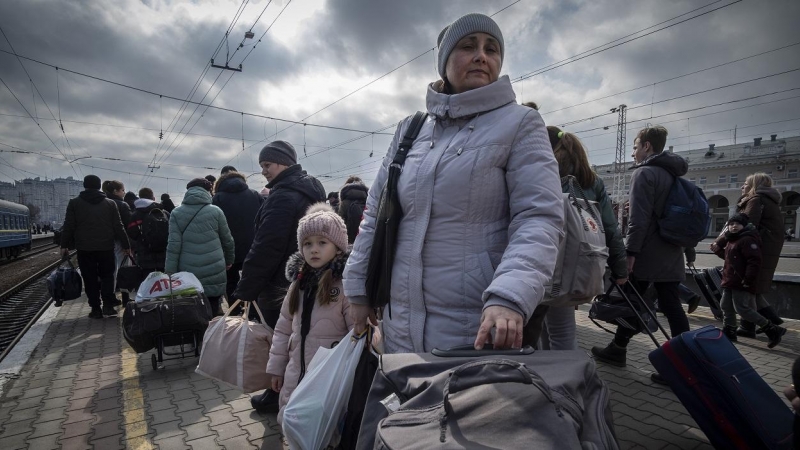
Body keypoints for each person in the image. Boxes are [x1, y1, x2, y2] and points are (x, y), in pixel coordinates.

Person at [343, 13, 564, 353]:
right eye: (467, 46)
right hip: (399, 320)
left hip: (478, 324)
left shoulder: (521, 124)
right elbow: (375, 215)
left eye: (491, 49)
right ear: (444, 63)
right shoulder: (410, 129)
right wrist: (358, 289)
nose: (481, 55)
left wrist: (509, 294)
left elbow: (539, 218)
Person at [230, 140, 326, 412]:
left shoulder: (283, 196)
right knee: (301, 338)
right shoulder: (309, 190)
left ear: (284, 162)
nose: (264, 171)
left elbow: (267, 245)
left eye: (267, 165)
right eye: (262, 166)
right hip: (305, 275)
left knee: (278, 340)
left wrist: (246, 287)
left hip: (278, 283)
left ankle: (276, 396)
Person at [591, 126, 691, 383]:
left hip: (648, 252)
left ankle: (678, 367)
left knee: (630, 301)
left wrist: (630, 252)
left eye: (635, 147)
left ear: (647, 146)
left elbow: (638, 220)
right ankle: (680, 363)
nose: (633, 153)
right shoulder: (675, 175)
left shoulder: (645, 173)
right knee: (668, 305)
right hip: (671, 250)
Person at [532, 126, 627, 351]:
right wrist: (620, 268)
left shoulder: (541, 172)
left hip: (539, 261)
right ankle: (564, 379)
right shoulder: (592, 181)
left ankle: (560, 379)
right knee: (561, 328)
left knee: (537, 328)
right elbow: (610, 228)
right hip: (573, 267)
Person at [265, 203, 352, 428]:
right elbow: (283, 329)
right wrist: (276, 367)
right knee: (296, 424)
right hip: (295, 372)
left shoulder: (346, 287)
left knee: (327, 429)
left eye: (322, 243)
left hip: (330, 377)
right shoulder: (298, 285)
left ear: (338, 247)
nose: (314, 249)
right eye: (307, 244)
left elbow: (358, 335)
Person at [711, 172, 785, 337]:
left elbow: (743, 224)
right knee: (752, 290)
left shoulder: (755, 200)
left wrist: (719, 243)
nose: (742, 186)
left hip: (754, 250)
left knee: (746, 292)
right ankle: (756, 325)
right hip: (764, 250)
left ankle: (769, 326)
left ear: (754, 185)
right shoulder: (768, 201)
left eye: (746, 183)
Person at [60, 175, 131, 318]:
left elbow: (69, 225)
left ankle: (95, 308)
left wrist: (64, 245)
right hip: (106, 247)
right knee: (108, 276)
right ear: (99, 186)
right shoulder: (110, 204)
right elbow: (119, 226)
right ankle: (108, 306)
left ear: (85, 185)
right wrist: (126, 244)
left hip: (84, 248)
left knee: (89, 278)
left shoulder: (74, 203)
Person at [165, 178, 234, 316]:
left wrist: (170, 273)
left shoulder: (176, 213)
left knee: (192, 310)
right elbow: (227, 240)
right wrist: (229, 260)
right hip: (214, 267)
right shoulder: (216, 211)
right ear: (207, 191)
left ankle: (198, 335)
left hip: (188, 271)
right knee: (214, 308)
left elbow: (173, 245)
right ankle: (214, 333)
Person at [212, 168, 263, 314]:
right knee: (253, 281)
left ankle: (234, 314)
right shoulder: (254, 195)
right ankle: (254, 314)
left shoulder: (217, 198)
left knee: (231, 282)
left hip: (229, 250)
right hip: (253, 247)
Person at [102, 180, 133, 304]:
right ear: (116, 191)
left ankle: (110, 299)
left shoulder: (102, 203)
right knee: (124, 269)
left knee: (110, 271)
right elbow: (128, 225)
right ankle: (125, 298)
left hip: (104, 242)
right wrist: (128, 244)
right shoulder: (122, 205)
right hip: (120, 242)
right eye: (122, 190)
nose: (124, 192)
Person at [127, 188, 170, 279]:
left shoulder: (136, 214)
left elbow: (132, 232)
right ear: (153, 198)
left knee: (147, 282)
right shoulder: (164, 213)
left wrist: (142, 239)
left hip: (144, 253)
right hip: (163, 253)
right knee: (163, 281)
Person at [337, 176, 368, 244]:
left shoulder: (345, 203)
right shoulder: (368, 201)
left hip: (349, 240)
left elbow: (339, 223)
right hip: (366, 237)